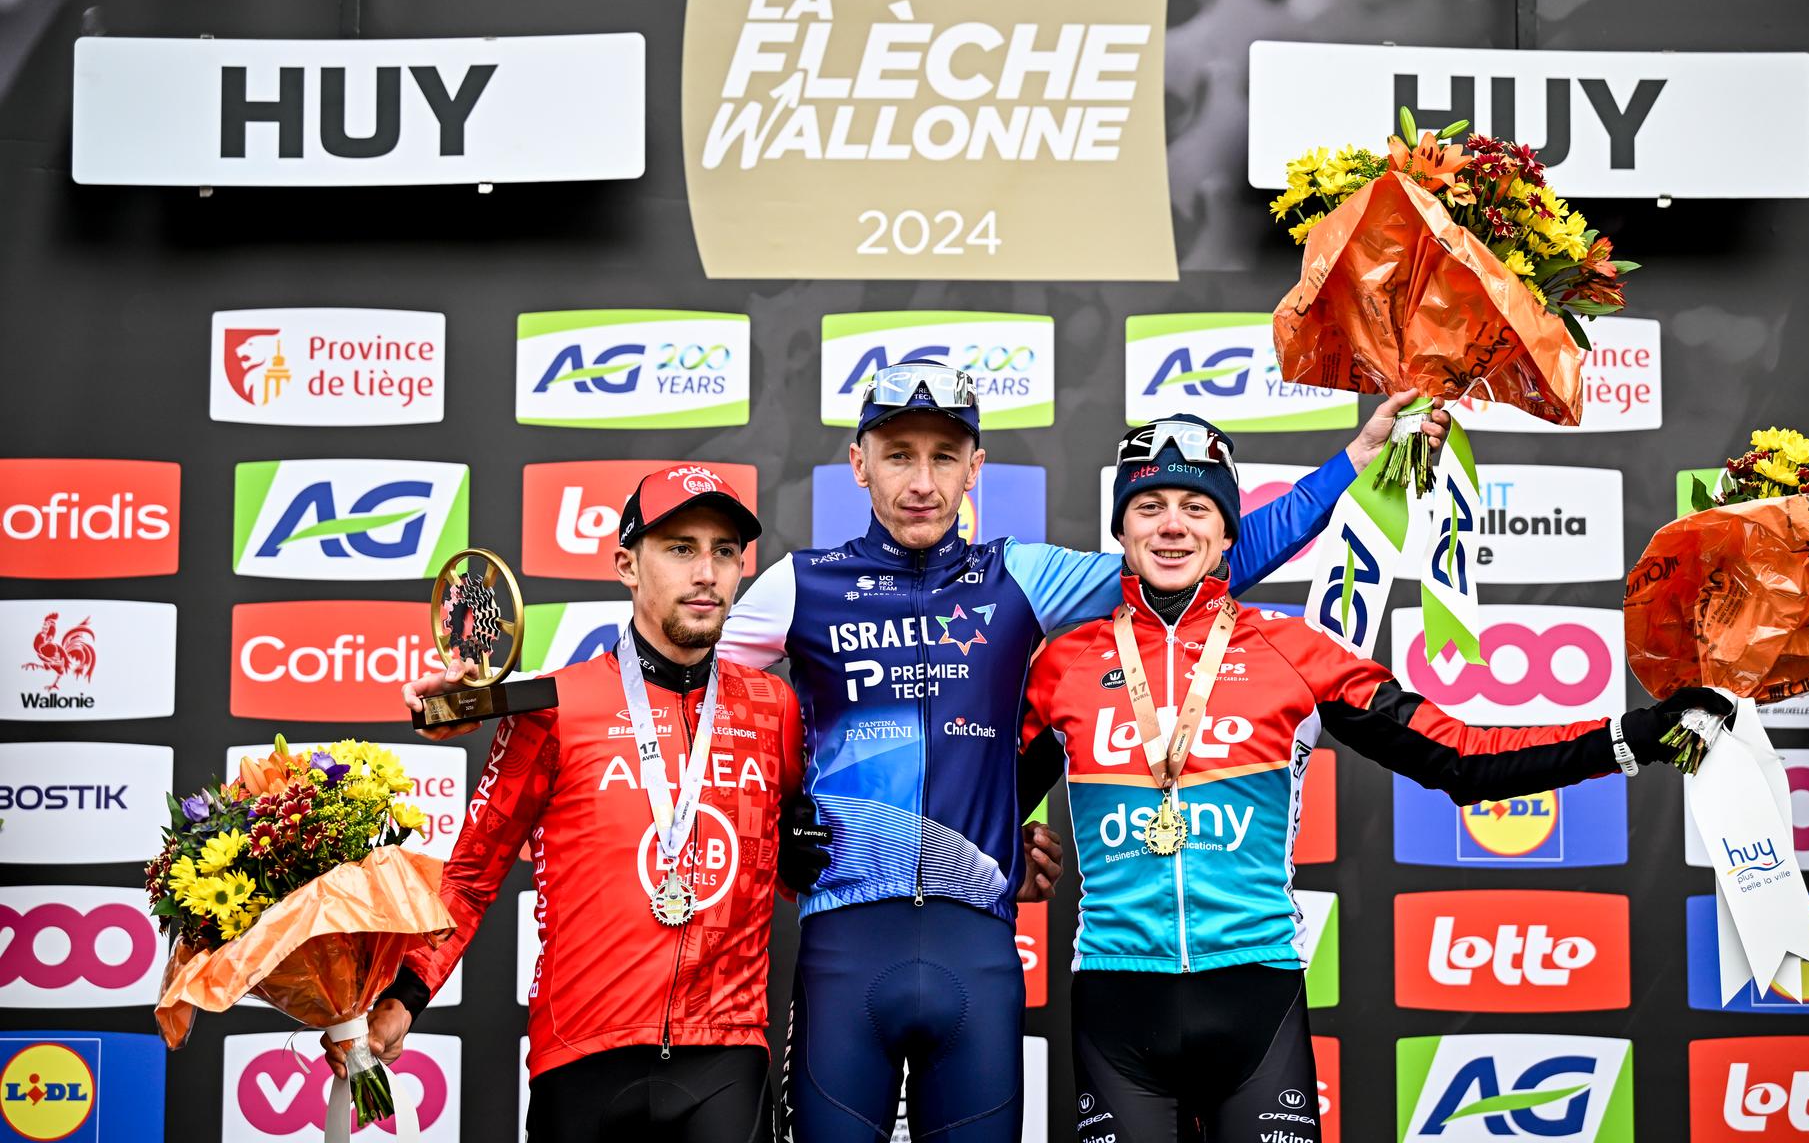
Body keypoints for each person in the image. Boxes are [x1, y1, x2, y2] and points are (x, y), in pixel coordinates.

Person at [721, 362, 1446, 1142]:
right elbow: (697, 703)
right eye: (898, 454)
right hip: (845, 941)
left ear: (976, 468)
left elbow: (1201, 558)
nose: (921, 480)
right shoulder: (800, 585)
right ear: (859, 462)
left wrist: (1356, 460)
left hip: (976, 940)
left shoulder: (1021, 577)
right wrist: (777, 811)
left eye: (943, 456)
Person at [1019, 428, 1736, 1142]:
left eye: (1196, 507)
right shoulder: (1062, 665)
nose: (1172, 525)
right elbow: (978, 802)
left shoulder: (1293, 650)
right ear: (1120, 527)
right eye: (1149, 506)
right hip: (1117, 1003)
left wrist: (1633, 736)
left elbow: (1460, 757)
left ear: (1229, 528)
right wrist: (1005, 850)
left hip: (1256, 996)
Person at [322, 465, 821, 1143]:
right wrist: (405, 997)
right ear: (627, 564)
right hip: (582, 1056)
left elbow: (793, 872)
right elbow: (470, 876)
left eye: (724, 551)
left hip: (725, 1053)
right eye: (680, 548)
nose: (707, 571)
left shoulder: (773, 706)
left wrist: (801, 857)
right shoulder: (553, 705)